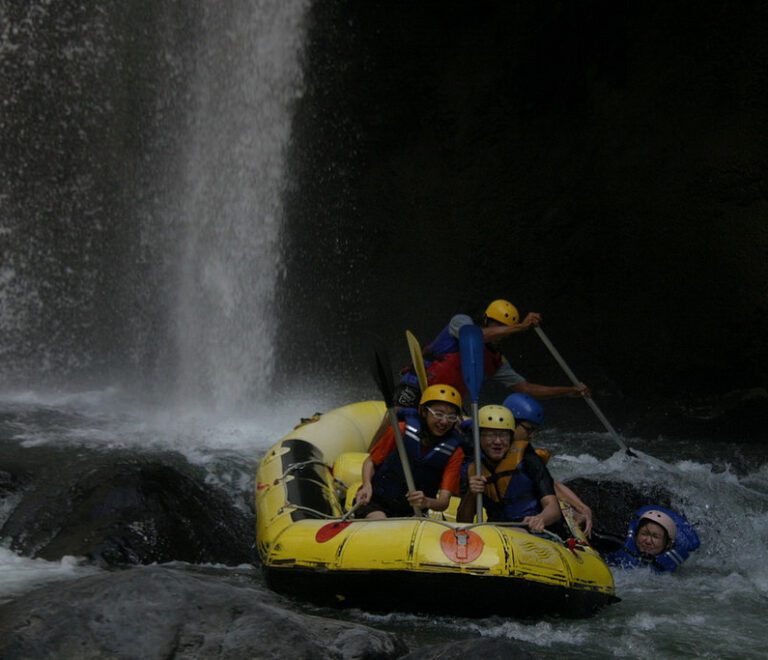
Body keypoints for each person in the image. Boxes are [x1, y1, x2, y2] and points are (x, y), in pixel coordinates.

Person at [394, 299, 590, 408]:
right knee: (399, 415)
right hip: (418, 384)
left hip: (446, 402)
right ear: (486, 320)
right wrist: (520, 327)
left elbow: (527, 388)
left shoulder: (497, 362)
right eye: (497, 324)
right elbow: (473, 337)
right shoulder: (461, 322)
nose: (501, 331)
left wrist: (569, 390)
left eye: (505, 328)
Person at [355, 384, 465, 519]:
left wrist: (426, 502)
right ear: (424, 412)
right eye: (438, 414)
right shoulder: (401, 429)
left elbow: (443, 502)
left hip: (412, 512)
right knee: (379, 518)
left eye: (451, 417)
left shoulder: (455, 452)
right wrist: (366, 485)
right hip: (375, 502)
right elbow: (371, 461)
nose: (444, 421)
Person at [456, 404, 563, 534]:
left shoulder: (529, 459)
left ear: (511, 437)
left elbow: (553, 508)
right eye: (490, 435)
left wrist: (540, 519)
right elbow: (462, 521)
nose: (497, 441)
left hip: (533, 532)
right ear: (479, 437)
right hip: (496, 533)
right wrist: (471, 494)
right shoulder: (472, 468)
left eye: (503, 435)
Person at [502, 392, 594, 536]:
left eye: (534, 430)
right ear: (510, 422)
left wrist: (582, 508)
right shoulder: (475, 441)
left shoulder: (528, 455)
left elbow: (549, 484)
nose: (531, 436)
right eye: (528, 429)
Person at [603, 506, 700, 573]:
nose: (648, 541)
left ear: (668, 544)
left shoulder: (673, 564)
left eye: (655, 537)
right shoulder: (619, 544)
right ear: (636, 535)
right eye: (644, 534)